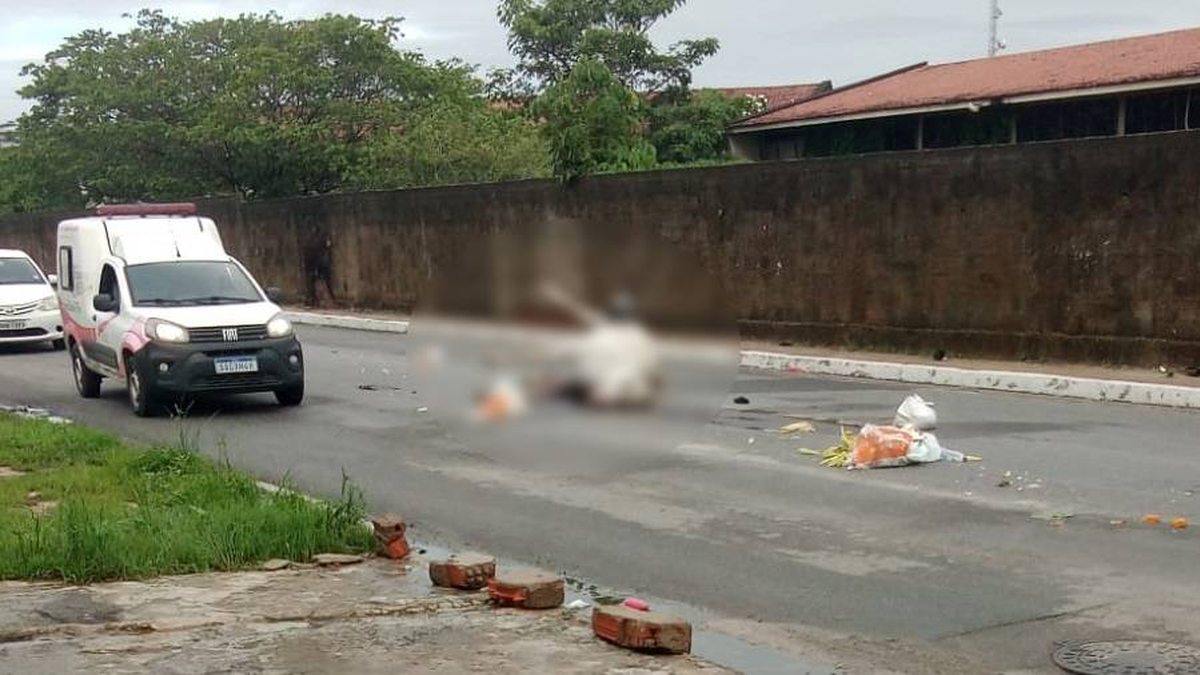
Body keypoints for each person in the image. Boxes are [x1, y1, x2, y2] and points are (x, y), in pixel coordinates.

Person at [537, 283, 662, 408]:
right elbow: (656, 376)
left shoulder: (598, 337)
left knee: (567, 386)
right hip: (639, 394)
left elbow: (568, 352)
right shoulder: (645, 339)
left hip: (606, 395)